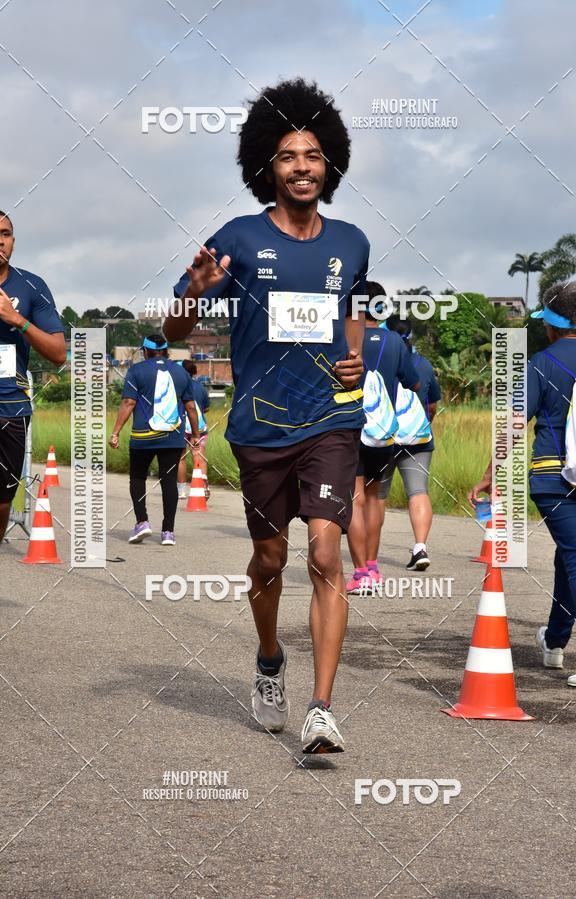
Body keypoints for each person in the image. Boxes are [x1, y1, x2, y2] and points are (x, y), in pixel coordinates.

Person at [164, 78, 369, 753]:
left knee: (323, 551)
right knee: (271, 558)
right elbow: (173, 329)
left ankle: (321, 708)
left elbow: (350, 321)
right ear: (266, 166)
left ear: (329, 162)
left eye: (312, 154)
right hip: (260, 428)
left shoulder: (351, 243)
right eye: (287, 155)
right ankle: (271, 659)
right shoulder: (240, 238)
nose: (302, 166)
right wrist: (193, 297)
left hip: (331, 422)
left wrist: (354, 362)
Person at [469, 282, 576, 687]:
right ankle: (555, 640)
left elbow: (511, 426)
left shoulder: (540, 364)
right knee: (572, 552)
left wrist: (491, 475)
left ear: (553, 327)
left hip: (553, 478)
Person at [346, 282, 419, 594]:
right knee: (375, 499)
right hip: (385, 434)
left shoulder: (345, 338)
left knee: (354, 498)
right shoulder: (394, 342)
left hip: (351, 429)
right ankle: (374, 568)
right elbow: (414, 384)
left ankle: (360, 572)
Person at [0, 211, 66, 544]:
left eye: (6, 233)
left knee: (2, 503)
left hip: (10, 408)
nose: (0, 240)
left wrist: (17, 319)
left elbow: (58, 353)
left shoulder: (31, 286)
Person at [109, 335, 201, 546]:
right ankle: (168, 531)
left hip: (143, 436)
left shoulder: (136, 371)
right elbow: (190, 407)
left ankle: (142, 522)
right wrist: (195, 435)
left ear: (146, 351)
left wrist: (115, 432)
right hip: (172, 437)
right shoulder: (181, 372)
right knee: (169, 482)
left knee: (138, 478)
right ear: (166, 351)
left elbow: (128, 402)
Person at [378, 316, 441, 571]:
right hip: (417, 439)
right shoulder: (423, 365)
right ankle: (420, 547)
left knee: (376, 497)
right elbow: (433, 405)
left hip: (382, 438)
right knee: (418, 492)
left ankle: (370, 551)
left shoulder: (379, 358)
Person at [176, 359, 210, 500]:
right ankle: (203, 487)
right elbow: (206, 408)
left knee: (181, 457)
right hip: (199, 427)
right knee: (200, 457)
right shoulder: (201, 388)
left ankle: (182, 491)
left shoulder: (177, 387)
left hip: (181, 426)